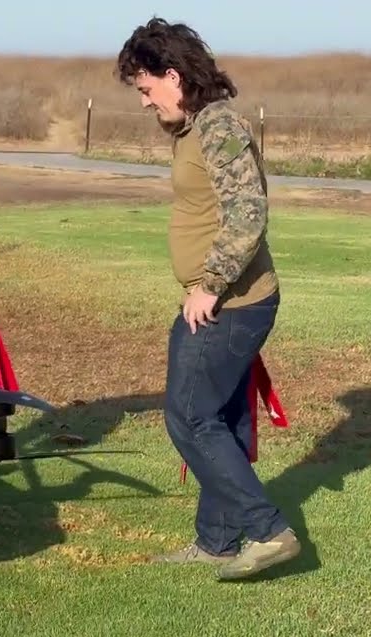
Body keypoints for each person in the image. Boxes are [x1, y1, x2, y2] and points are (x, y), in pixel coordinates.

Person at [116, 17, 300, 579]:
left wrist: (210, 284)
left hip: (231, 304)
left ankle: (268, 530)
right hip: (223, 301)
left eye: (147, 88)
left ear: (173, 76)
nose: (145, 101)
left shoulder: (219, 126)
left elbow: (248, 212)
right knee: (223, 416)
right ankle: (218, 541)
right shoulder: (193, 128)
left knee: (190, 416)